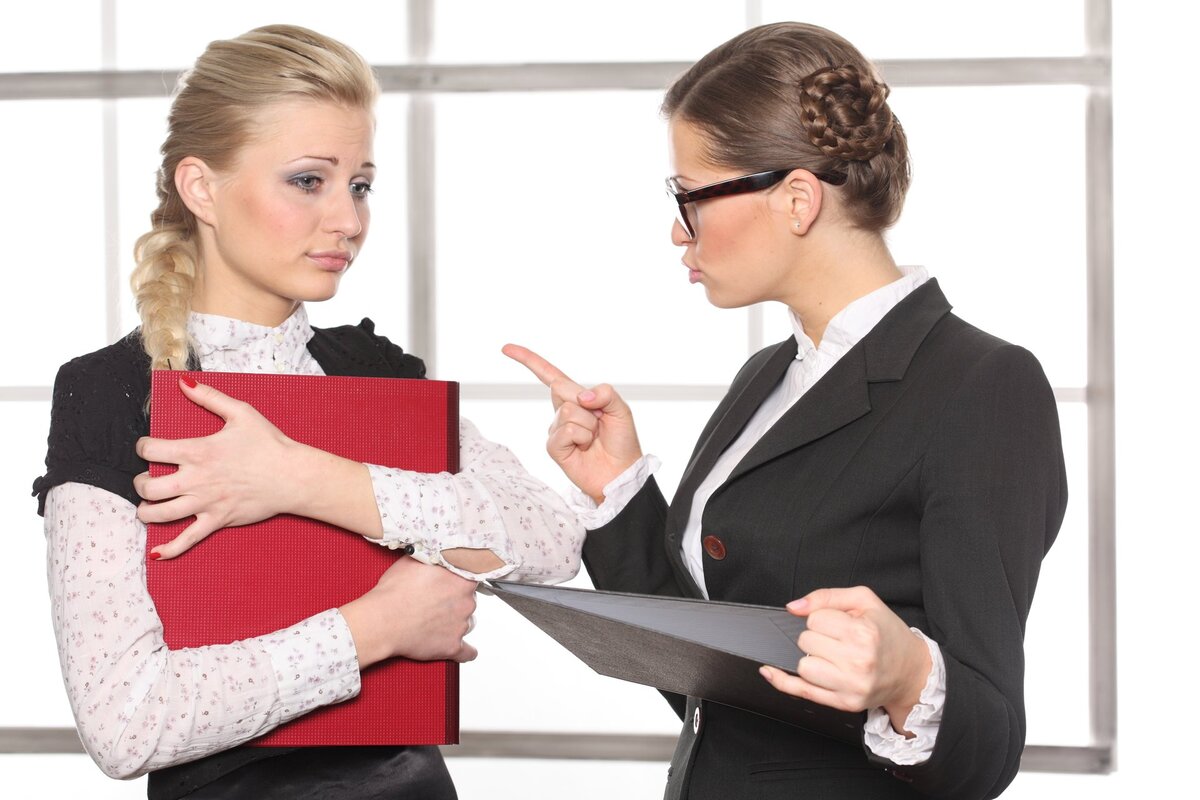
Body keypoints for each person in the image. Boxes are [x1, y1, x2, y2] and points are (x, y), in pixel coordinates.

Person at [505, 21, 1066, 800]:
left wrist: (907, 675)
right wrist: (620, 487)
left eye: (689, 197)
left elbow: (990, 744)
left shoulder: (983, 385)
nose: (677, 230)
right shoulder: (765, 377)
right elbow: (718, 687)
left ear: (797, 199)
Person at [32, 24, 584, 800]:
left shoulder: (372, 371)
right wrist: (376, 628)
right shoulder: (113, 392)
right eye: (307, 181)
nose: (348, 221)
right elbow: (126, 725)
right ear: (201, 189)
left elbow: (552, 540)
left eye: (360, 185)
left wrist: (300, 479)